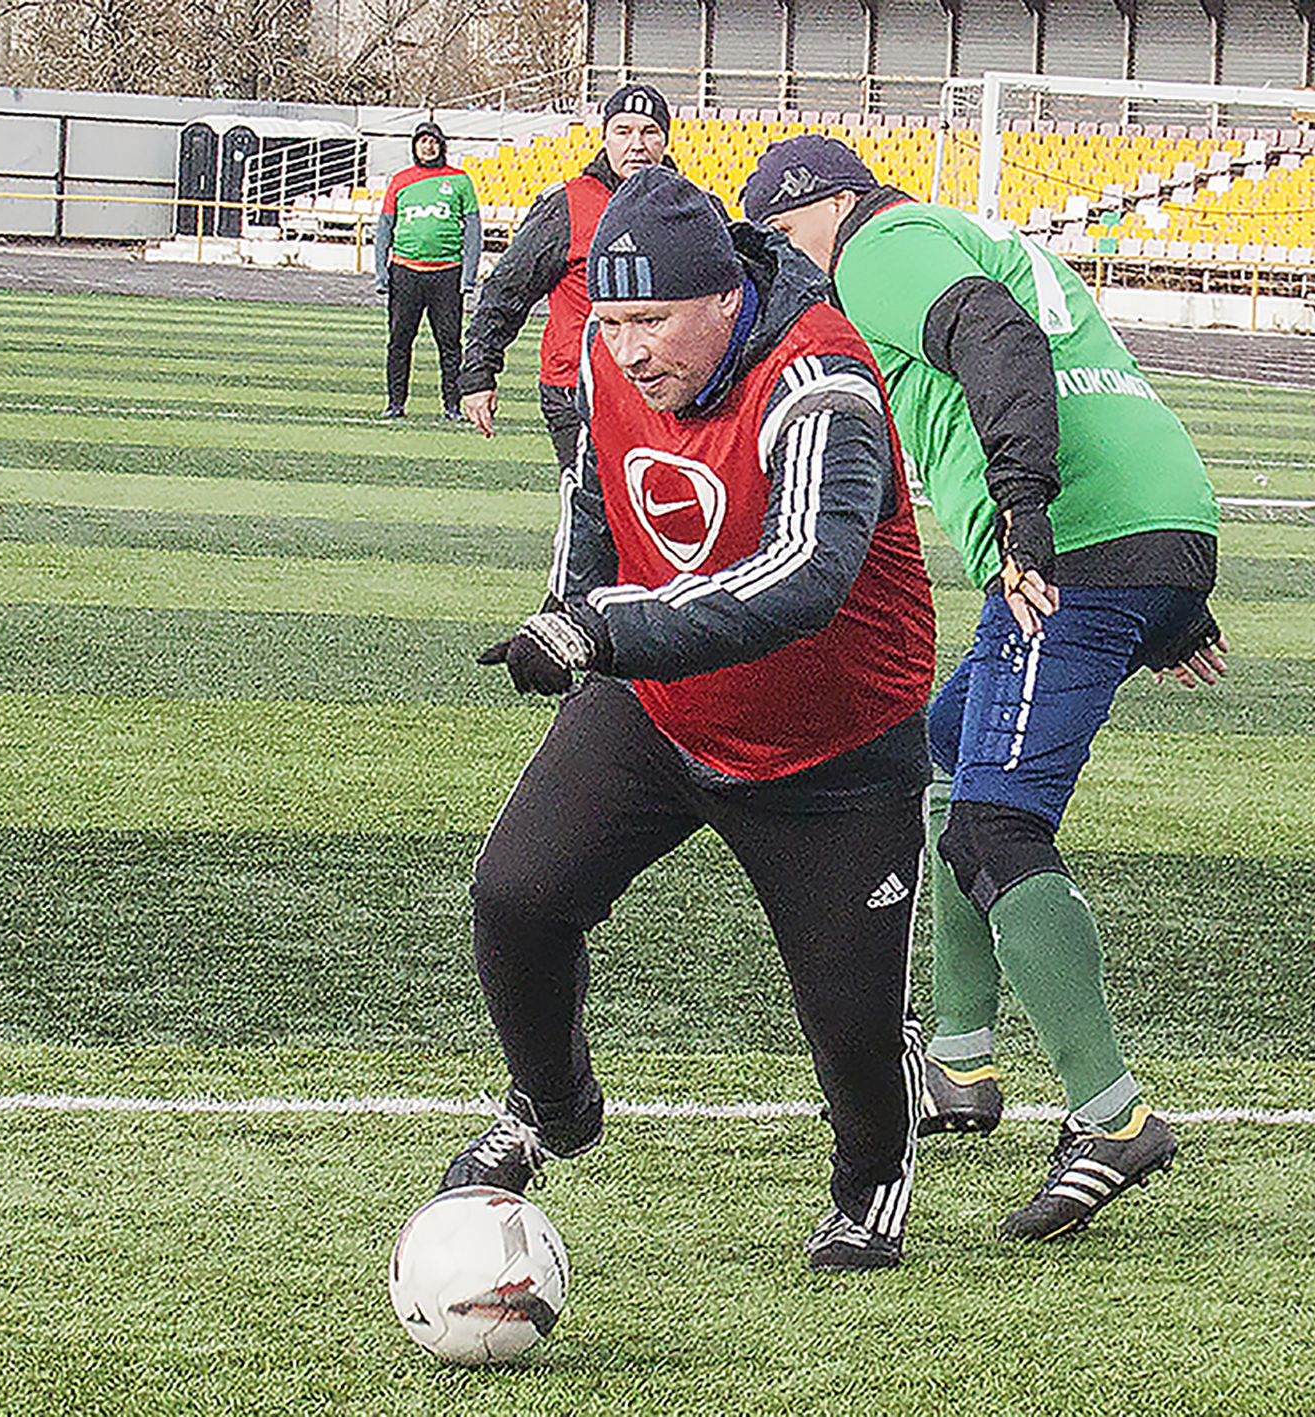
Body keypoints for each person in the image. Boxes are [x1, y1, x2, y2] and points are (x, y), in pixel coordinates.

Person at [442, 167, 940, 1274]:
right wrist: (569, 613)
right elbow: (594, 497)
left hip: (834, 744)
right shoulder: (601, 355)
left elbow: (805, 576)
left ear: (725, 296)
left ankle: (870, 1180)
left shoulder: (821, 381)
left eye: (653, 321)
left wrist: (602, 630)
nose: (626, 349)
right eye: (612, 320)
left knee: (852, 1026)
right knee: (517, 893)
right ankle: (552, 1105)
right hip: (659, 705)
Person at [741, 134, 1227, 1242]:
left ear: (825, 207)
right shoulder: (961, 232)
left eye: (781, 239)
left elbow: (994, 335)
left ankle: (1111, 1115)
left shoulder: (881, 246)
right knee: (949, 747)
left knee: (996, 829)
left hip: (1078, 546)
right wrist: (1164, 586)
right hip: (1152, 523)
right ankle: (960, 1059)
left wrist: (1023, 507)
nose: (787, 266)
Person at [457, 84, 677, 470]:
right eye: (623, 131)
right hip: (577, 389)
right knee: (593, 502)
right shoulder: (568, 205)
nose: (636, 144)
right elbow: (506, 291)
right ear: (605, 137)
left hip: (662, 388)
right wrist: (478, 373)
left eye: (649, 132)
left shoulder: (690, 206)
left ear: (665, 140)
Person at [373, 120, 480, 421]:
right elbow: (384, 229)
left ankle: (452, 406)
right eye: (422, 141)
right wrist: (381, 273)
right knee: (399, 341)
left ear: (441, 145)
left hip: (447, 274)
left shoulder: (460, 180)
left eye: (433, 141)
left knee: (450, 343)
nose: (428, 147)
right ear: (414, 146)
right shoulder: (400, 180)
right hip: (405, 273)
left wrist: (468, 277)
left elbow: (473, 230)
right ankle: (396, 403)